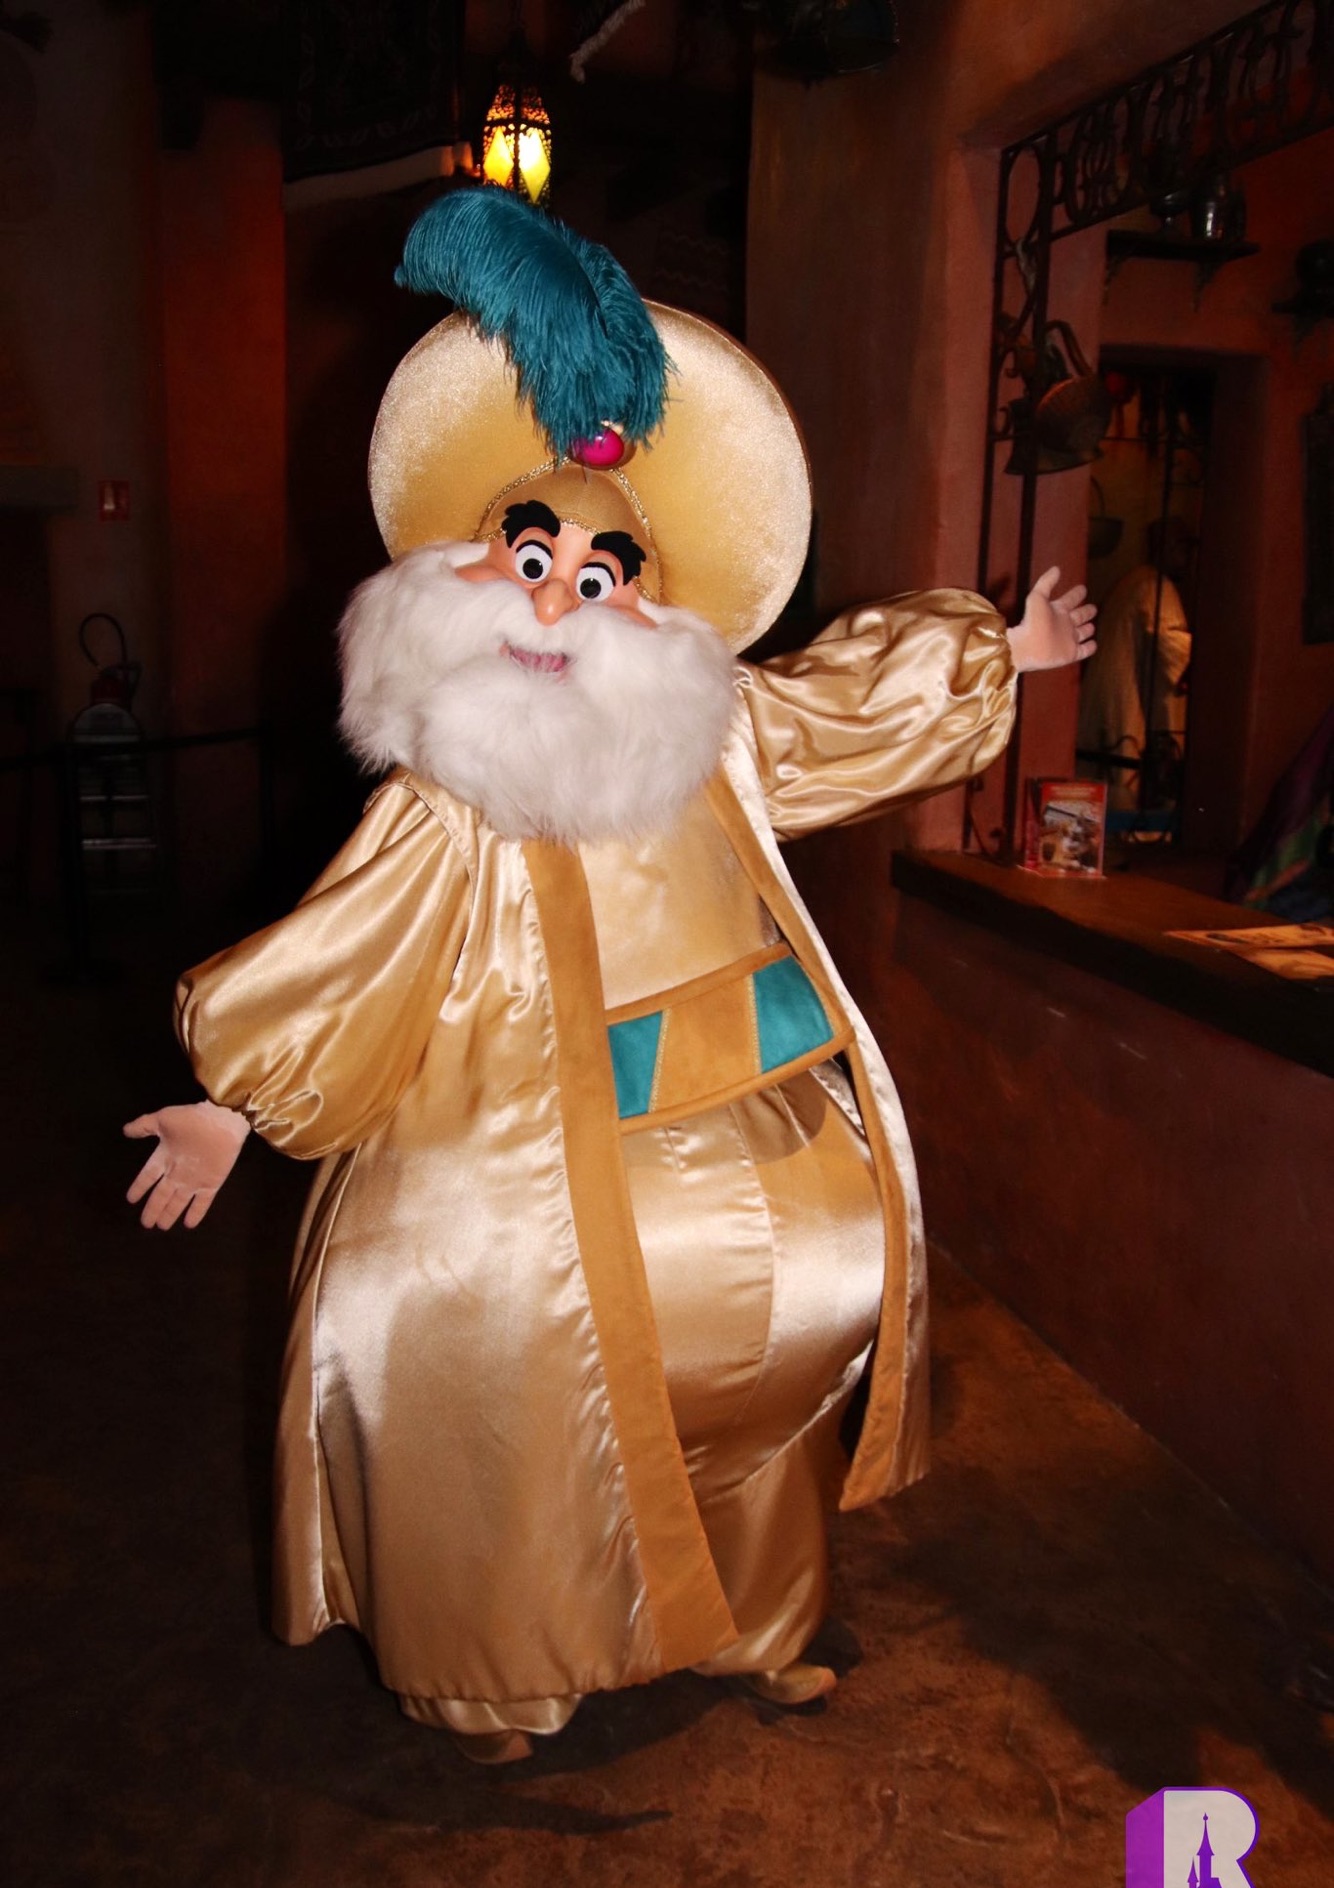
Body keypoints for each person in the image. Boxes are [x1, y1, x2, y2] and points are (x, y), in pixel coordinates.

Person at [125, 191, 1095, 1764]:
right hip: (527, 1162)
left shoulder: (713, 732)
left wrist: (1002, 653)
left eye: (599, 573)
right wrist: (233, 1105)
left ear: (649, 599)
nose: (556, 596)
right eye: (530, 556)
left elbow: (837, 709)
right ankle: (505, 1669)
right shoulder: (454, 794)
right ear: (466, 568)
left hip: (755, 1138)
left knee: (773, 1376)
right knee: (503, 1388)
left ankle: (755, 1621)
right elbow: (351, 944)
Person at [1077, 516, 1192, 812]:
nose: (1188, 558)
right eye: (1183, 547)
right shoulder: (1156, 587)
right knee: (1123, 779)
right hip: (1123, 698)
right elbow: (1172, 646)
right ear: (1165, 546)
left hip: (1110, 691)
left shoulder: (1133, 581)